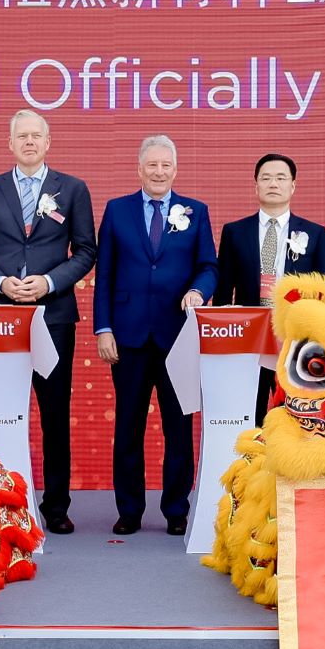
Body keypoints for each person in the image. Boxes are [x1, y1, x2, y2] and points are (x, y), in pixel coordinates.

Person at [0, 110, 97, 533]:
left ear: (48, 142)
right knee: (1, 412)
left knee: (54, 412)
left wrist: (49, 282)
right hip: (0, 319)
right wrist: (0, 282)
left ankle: (56, 505)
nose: (30, 142)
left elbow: (86, 251)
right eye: (22, 136)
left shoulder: (72, 189)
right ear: (10, 143)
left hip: (53, 316)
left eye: (37, 136)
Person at [93, 134, 217, 536]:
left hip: (177, 335)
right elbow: (105, 274)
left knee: (179, 429)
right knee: (128, 427)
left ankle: (176, 510)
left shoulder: (196, 212)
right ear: (140, 169)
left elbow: (209, 266)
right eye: (152, 165)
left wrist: (198, 290)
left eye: (166, 165)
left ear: (175, 170)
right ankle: (129, 510)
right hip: (128, 336)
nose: (159, 172)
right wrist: (103, 327)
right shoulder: (117, 210)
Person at [214, 153, 325, 424]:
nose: (273, 184)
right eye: (266, 178)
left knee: (295, 416)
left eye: (281, 178)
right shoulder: (235, 232)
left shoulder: (315, 233)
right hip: (248, 340)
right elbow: (223, 293)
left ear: (293, 186)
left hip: (294, 339)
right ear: (256, 185)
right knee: (249, 415)